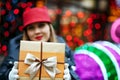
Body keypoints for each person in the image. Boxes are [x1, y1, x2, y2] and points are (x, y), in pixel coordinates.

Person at [0, 6, 79, 80]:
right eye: (31, 28)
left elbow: (77, 75)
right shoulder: (15, 47)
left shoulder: (63, 48)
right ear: (26, 32)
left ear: (49, 27)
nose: (37, 31)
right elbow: (2, 73)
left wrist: (70, 77)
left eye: (41, 25)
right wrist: (8, 76)